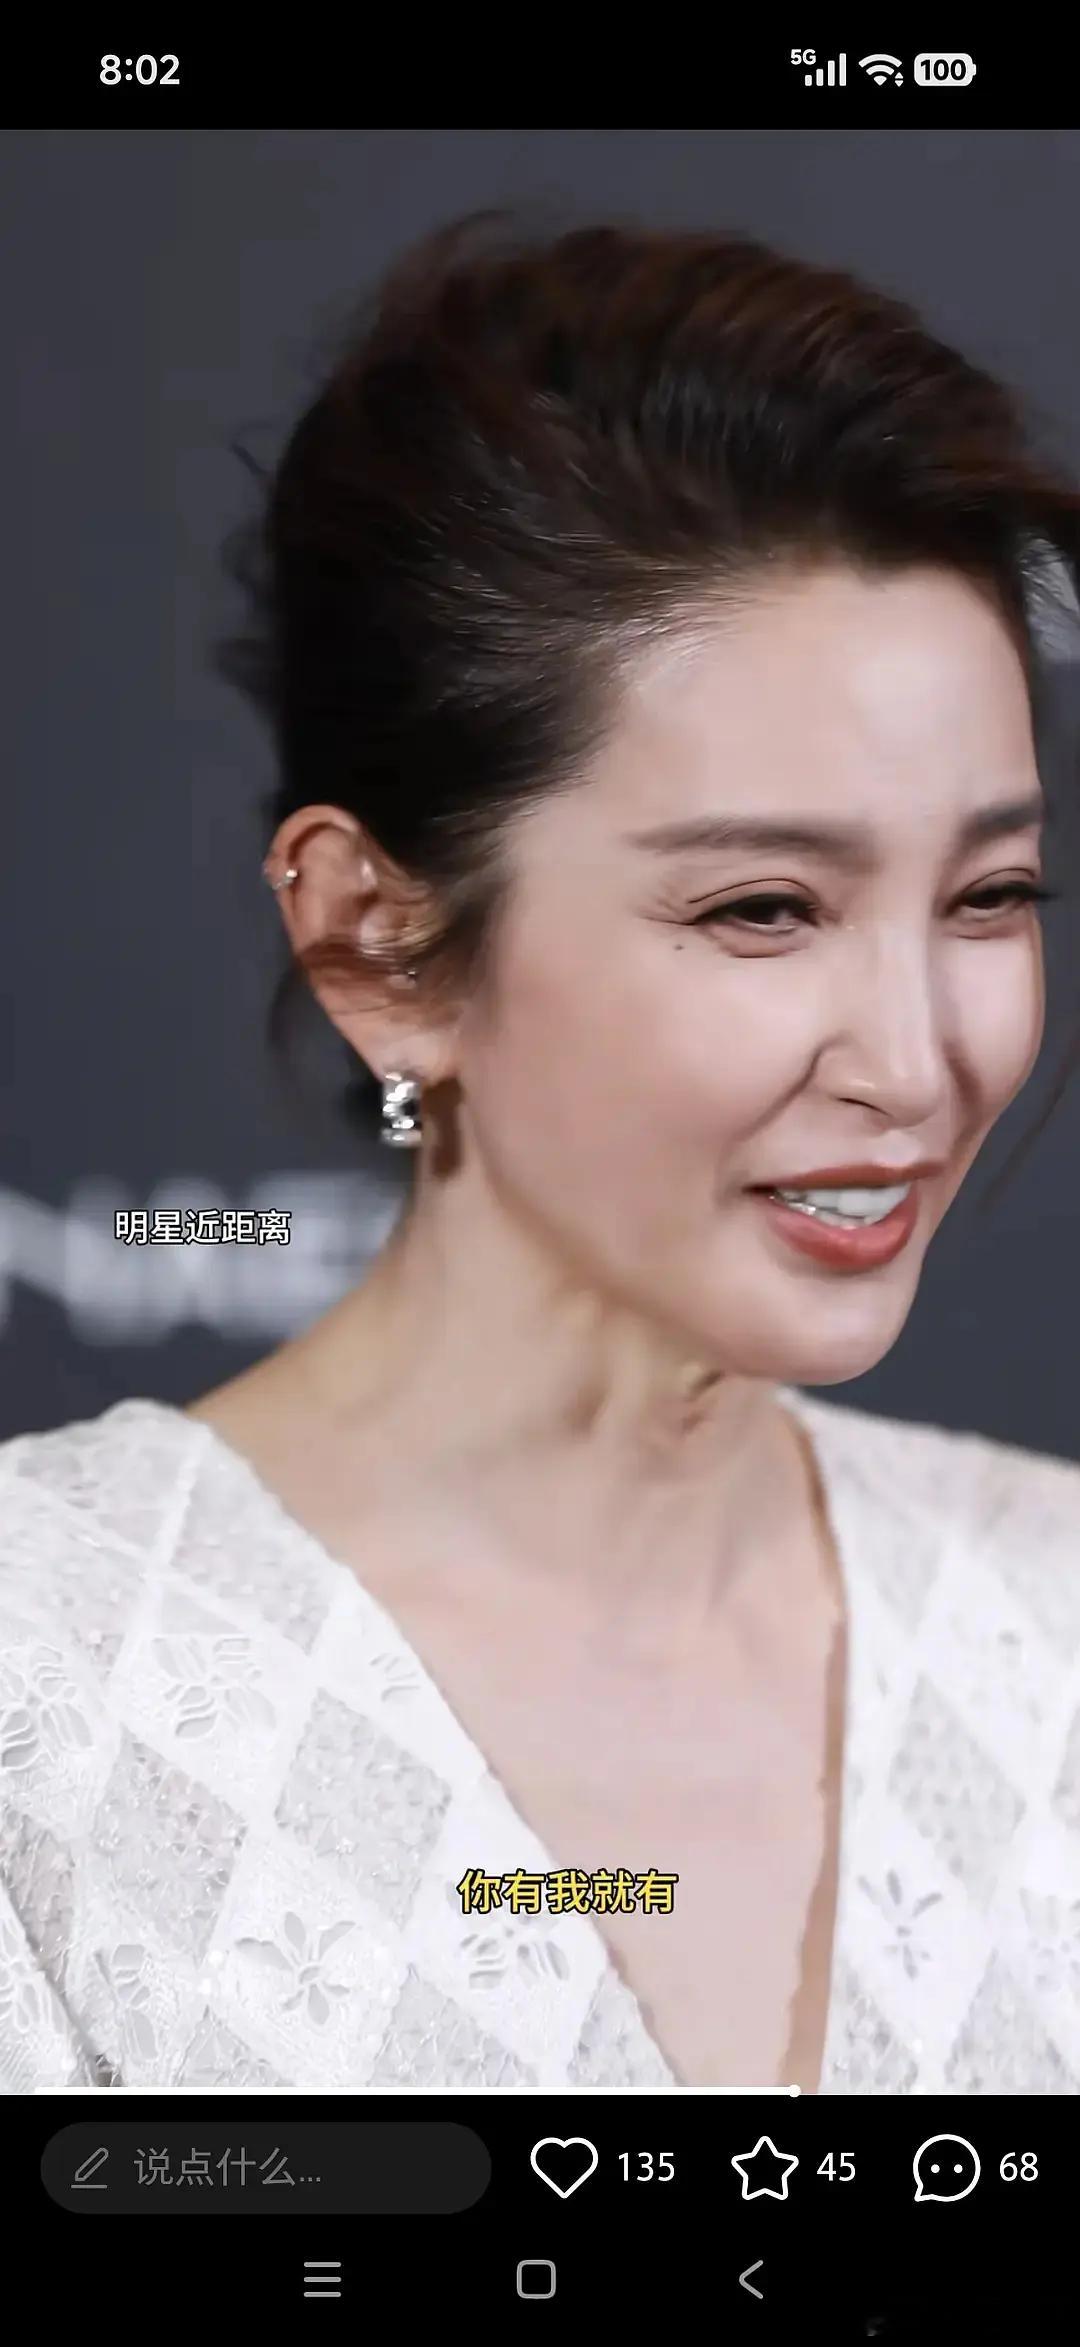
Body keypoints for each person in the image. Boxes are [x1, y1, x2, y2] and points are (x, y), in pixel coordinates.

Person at [3, 207, 1080, 2098]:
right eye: (763, 909)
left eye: (990, 894)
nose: (923, 1061)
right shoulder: (45, 1682)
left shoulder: (1053, 1610)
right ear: (379, 944)